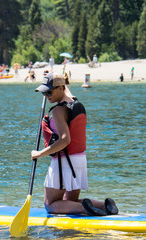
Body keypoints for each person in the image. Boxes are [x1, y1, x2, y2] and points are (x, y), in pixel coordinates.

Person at [32, 72, 119, 216]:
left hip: (63, 163)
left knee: (51, 205)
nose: (47, 97)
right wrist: (55, 76)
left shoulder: (58, 110)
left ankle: (86, 209)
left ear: (60, 88)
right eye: (43, 93)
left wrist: (39, 154)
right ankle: (104, 206)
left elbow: (65, 140)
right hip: (79, 161)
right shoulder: (76, 102)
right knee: (69, 201)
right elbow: (65, 88)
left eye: (49, 92)